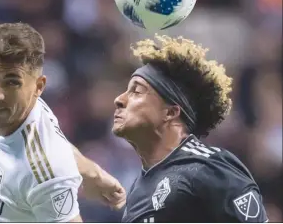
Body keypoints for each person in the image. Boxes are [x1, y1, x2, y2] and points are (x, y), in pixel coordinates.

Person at [0, 23, 125, 222]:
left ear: (38, 87)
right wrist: (93, 173)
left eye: (12, 82)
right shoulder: (0, 108)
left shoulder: (47, 175)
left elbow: (48, 158)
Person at [113, 34, 269, 223]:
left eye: (136, 91)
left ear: (170, 112)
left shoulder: (207, 166)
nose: (119, 99)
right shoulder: (137, 189)